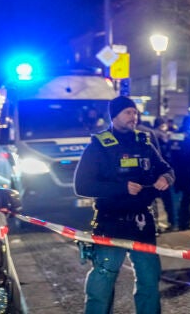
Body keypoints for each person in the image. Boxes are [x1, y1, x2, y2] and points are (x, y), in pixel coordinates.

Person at [73, 95, 175, 314]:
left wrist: (165, 178)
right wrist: (121, 187)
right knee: (102, 282)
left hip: (142, 223)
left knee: (149, 279)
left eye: (135, 112)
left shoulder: (144, 141)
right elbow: (82, 185)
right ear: (115, 116)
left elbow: (166, 168)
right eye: (128, 113)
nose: (133, 117)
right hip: (111, 223)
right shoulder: (99, 145)